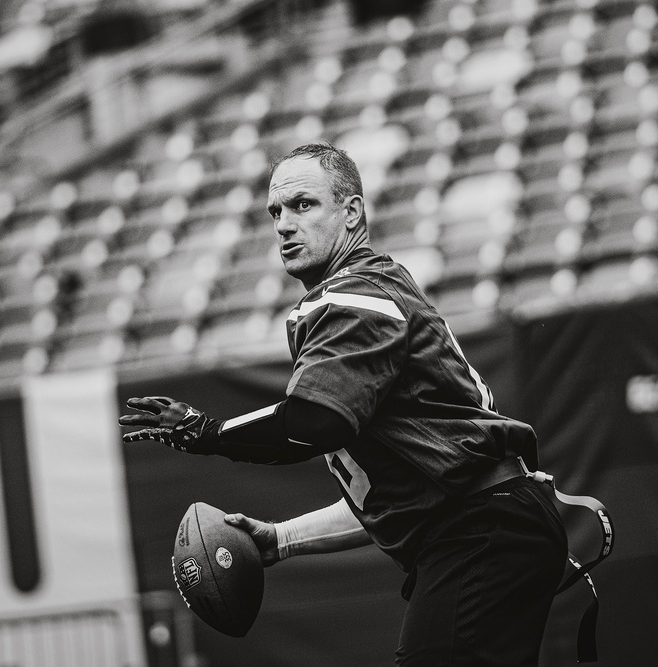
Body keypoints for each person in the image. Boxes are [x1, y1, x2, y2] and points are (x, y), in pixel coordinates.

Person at [119, 142, 570, 666]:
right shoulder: (365, 291)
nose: (284, 224)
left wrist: (209, 432)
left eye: (303, 205)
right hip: (485, 526)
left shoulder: (356, 295)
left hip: (480, 529)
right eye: (276, 212)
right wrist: (282, 540)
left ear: (351, 212)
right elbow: (398, 498)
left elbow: (315, 422)